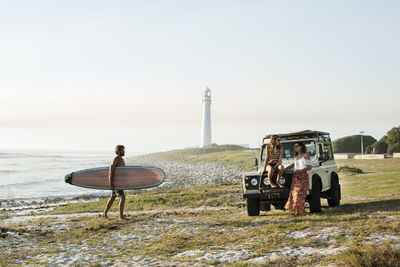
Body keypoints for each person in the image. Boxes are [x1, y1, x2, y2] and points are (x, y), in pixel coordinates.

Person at [284, 142, 312, 216]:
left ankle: (299, 211)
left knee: (301, 194)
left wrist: (300, 170)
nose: (295, 147)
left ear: (301, 147)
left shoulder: (306, 155)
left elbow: (309, 167)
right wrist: (289, 167)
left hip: (303, 176)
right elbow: (295, 164)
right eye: (294, 146)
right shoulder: (296, 156)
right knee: (294, 194)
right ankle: (298, 211)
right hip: (296, 177)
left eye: (297, 146)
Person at [102, 145, 127, 220]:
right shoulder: (116, 159)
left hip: (119, 183)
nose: (124, 151)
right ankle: (121, 216)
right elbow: (110, 171)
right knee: (122, 197)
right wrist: (111, 183)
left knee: (113, 197)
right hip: (116, 183)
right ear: (119, 151)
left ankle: (104, 214)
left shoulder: (121, 159)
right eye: (123, 150)